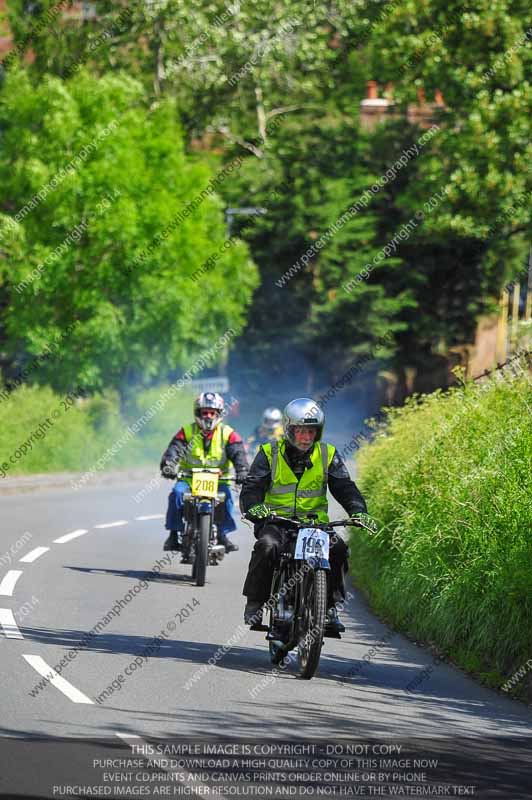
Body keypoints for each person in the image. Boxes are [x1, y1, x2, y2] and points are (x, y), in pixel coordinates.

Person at [240, 397, 368, 635]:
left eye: (311, 431)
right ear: (289, 430)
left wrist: (358, 510)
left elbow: (345, 487)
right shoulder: (269, 453)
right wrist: (254, 507)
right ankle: (255, 602)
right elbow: (252, 487)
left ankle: (329, 608)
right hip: (277, 523)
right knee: (266, 547)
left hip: (315, 526)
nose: (306, 437)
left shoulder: (328, 454)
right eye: (301, 431)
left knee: (339, 549)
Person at [160, 392, 248, 555]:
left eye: (212, 412)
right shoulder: (186, 432)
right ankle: (173, 534)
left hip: (219, 480)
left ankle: (222, 534)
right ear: (198, 413)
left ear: (219, 414)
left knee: (227, 498)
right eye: (204, 412)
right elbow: (174, 450)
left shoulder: (228, 433)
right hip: (188, 479)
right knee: (176, 494)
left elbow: (239, 454)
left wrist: (242, 470)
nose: (208, 416)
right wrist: (168, 465)